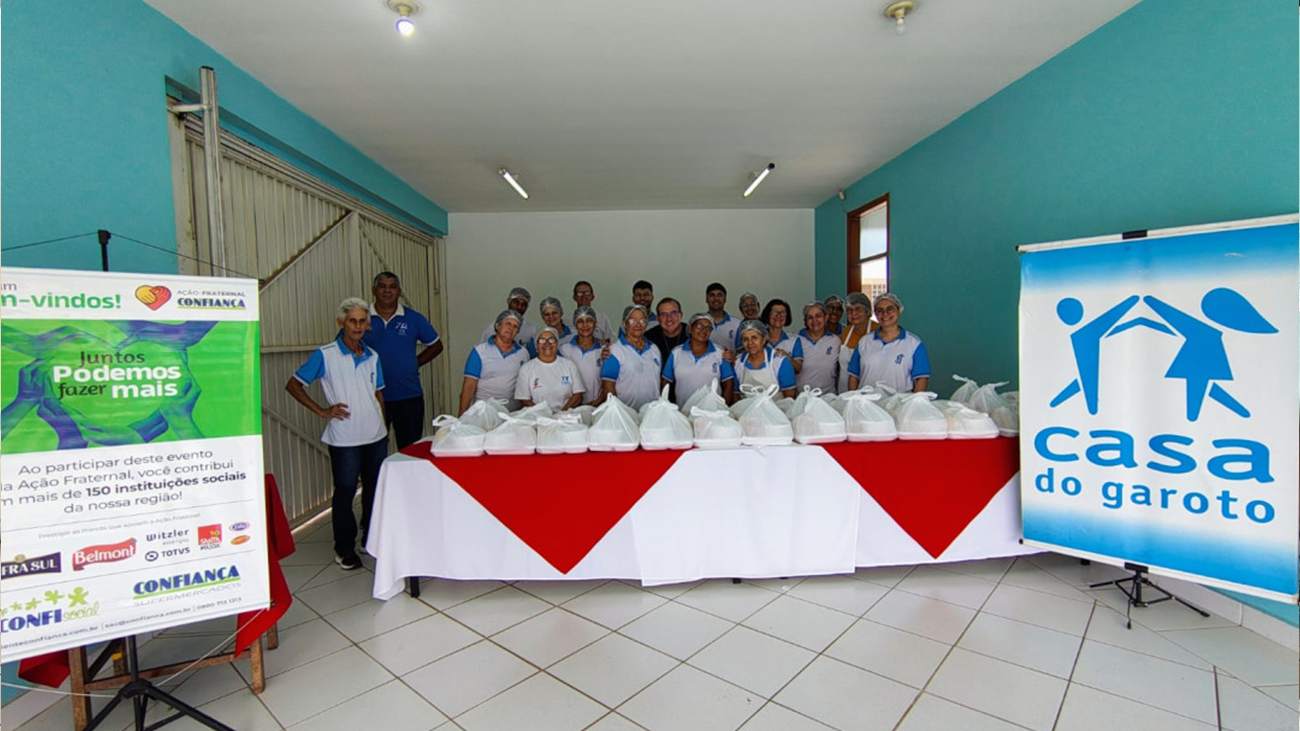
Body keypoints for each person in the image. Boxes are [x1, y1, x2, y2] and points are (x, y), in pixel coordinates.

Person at [286, 297, 387, 570]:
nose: (358, 326)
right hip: (344, 438)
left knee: (375, 488)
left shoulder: (372, 355)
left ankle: (371, 539)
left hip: (375, 435)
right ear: (341, 322)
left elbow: (378, 393)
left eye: (362, 321)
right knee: (345, 492)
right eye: (352, 321)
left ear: (368, 324)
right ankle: (344, 548)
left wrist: (383, 423)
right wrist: (322, 410)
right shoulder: (326, 354)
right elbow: (294, 384)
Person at [362, 271, 442, 451]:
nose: (387, 291)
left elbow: (437, 346)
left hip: (408, 395)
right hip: (370, 396)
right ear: (374, 290)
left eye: (392, 287)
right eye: (382, 286)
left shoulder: (413, 318)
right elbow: (344, 346)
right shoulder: (361, 319)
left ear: (399, 292)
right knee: (372, 451)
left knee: (410, 451)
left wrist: (413, 363)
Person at [848, 293, 931, 393]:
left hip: (899, 402)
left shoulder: (913, 343)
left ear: (899, 311)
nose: (885, 313)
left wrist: (914, 401)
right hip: (867, 401)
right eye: (880, 310)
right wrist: (854, 399)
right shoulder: (864, 342)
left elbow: (921, 378)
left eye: (890, 309)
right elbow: (853, 376)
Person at [461, 310, 531, 413]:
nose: (511, 328)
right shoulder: (480, 351)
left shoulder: (523, 353)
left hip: (513, 414)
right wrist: (462, 416)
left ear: (518, 332)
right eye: (508, 324)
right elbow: (469, 386)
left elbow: (525, 385)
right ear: (497, 326)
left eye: (515, 327)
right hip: (484, 413)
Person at [662, 313, 736, 408]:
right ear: (690, 328)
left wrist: (723, 407)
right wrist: (667, 406)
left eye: (708, 328)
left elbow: (728, 383)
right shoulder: (676, 353)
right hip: (683, 411)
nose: (703, 330)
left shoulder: (720, 352)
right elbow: (666, 381)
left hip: (712, 411)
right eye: (699, 326)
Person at [596, 305, 662, 409]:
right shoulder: (614, 351)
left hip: (652, 412)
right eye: (633, 320)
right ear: (624, 324)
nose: (638, 324)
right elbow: (608, 388)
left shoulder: (654, 349)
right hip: (625, 412)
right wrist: (618, 411)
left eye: (642, 320)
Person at [515, 326, 584, 410]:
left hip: (565, 415)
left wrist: (562, 413)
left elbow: (578, 395)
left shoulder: (569, 365)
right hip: (538, 415)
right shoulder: (526, 369)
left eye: (551, 340)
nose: (547, 343)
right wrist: (545, 414)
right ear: (536, 345)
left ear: (557, 343)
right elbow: (524, 400)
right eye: (542, 340)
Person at [733, 320, 796, 400]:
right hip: (748, 407)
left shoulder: (779, 362)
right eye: (745, 339)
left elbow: (790, 397)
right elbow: (736, 395)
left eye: (754, 338)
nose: (750, 343)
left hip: (777, 407)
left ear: (764, 339)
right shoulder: (738, 363)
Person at [559, 306, 605, 405]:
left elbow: (608, 383)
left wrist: (595, 403)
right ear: (575, 324)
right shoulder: (564, 350)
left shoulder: (603, 351)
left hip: (597, 406)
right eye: (580, 321)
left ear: (595, 323)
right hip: (571, 406)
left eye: (589, 320)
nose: (585, 325)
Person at [792, 301, 842, 393]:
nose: (814, 320)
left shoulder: (835, 341)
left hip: (828, 397)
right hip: (802, 396)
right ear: (805, 321)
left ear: (826, 317)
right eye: (810, 317)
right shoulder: (795, 340)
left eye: (818, 316)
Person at [836, 292, 877, 393]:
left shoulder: (878, 330)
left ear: (867, 311)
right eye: (849, 310)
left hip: (871, 391)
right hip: (844, 391)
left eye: (858, 309)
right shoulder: (846, 332)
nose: (853, 313)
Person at [480, 287, 539, 356]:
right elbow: (482, 352)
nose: (519, 307)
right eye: (516, 302)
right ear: (509, 301)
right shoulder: (492, 328)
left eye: (524, 305)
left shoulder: (532, 329)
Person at [645, 297, 689, 365]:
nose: (669, 319)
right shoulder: (648, 338)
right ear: (658, 318)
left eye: (673, 313)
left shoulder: (692, 334)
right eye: (664, 315)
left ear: (681, 315)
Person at [704, 282, 741, 355]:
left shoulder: (737, 323)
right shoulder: (698, 323)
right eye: (712, 295)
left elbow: (741, 351)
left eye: (720, 295)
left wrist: (733, 357)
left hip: (730, 362)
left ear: (725, 299)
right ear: (706, 299)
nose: (716, 298)